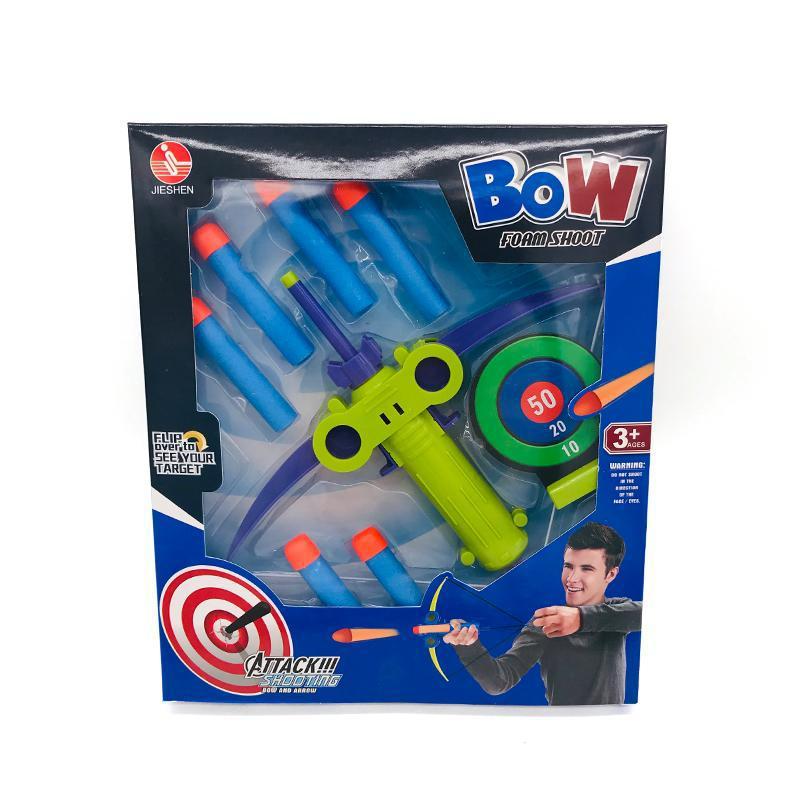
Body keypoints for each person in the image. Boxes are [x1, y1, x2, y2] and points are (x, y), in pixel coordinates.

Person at [445, 522, 642, 705]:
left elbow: (643, 614)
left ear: (611, 574)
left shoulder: (619, 610)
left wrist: (580, 619)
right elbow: (499, 682)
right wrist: (469, 647)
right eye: (568, 566)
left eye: (586, 569)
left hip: (613, 724)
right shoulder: (546, 622)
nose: (572, 578)